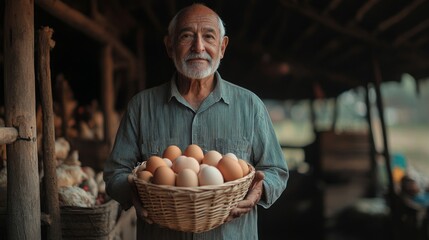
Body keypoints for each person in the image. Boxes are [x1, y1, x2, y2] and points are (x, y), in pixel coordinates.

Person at [103, 3, 289, 239]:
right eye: (187, 36)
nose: (198, 47)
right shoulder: (141, 107)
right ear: (170, 46)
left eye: (208, 37)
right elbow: (115, 172)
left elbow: (277, 171)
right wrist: (132, 192)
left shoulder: (250, 106)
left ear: (222, 47)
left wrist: (259, 190)